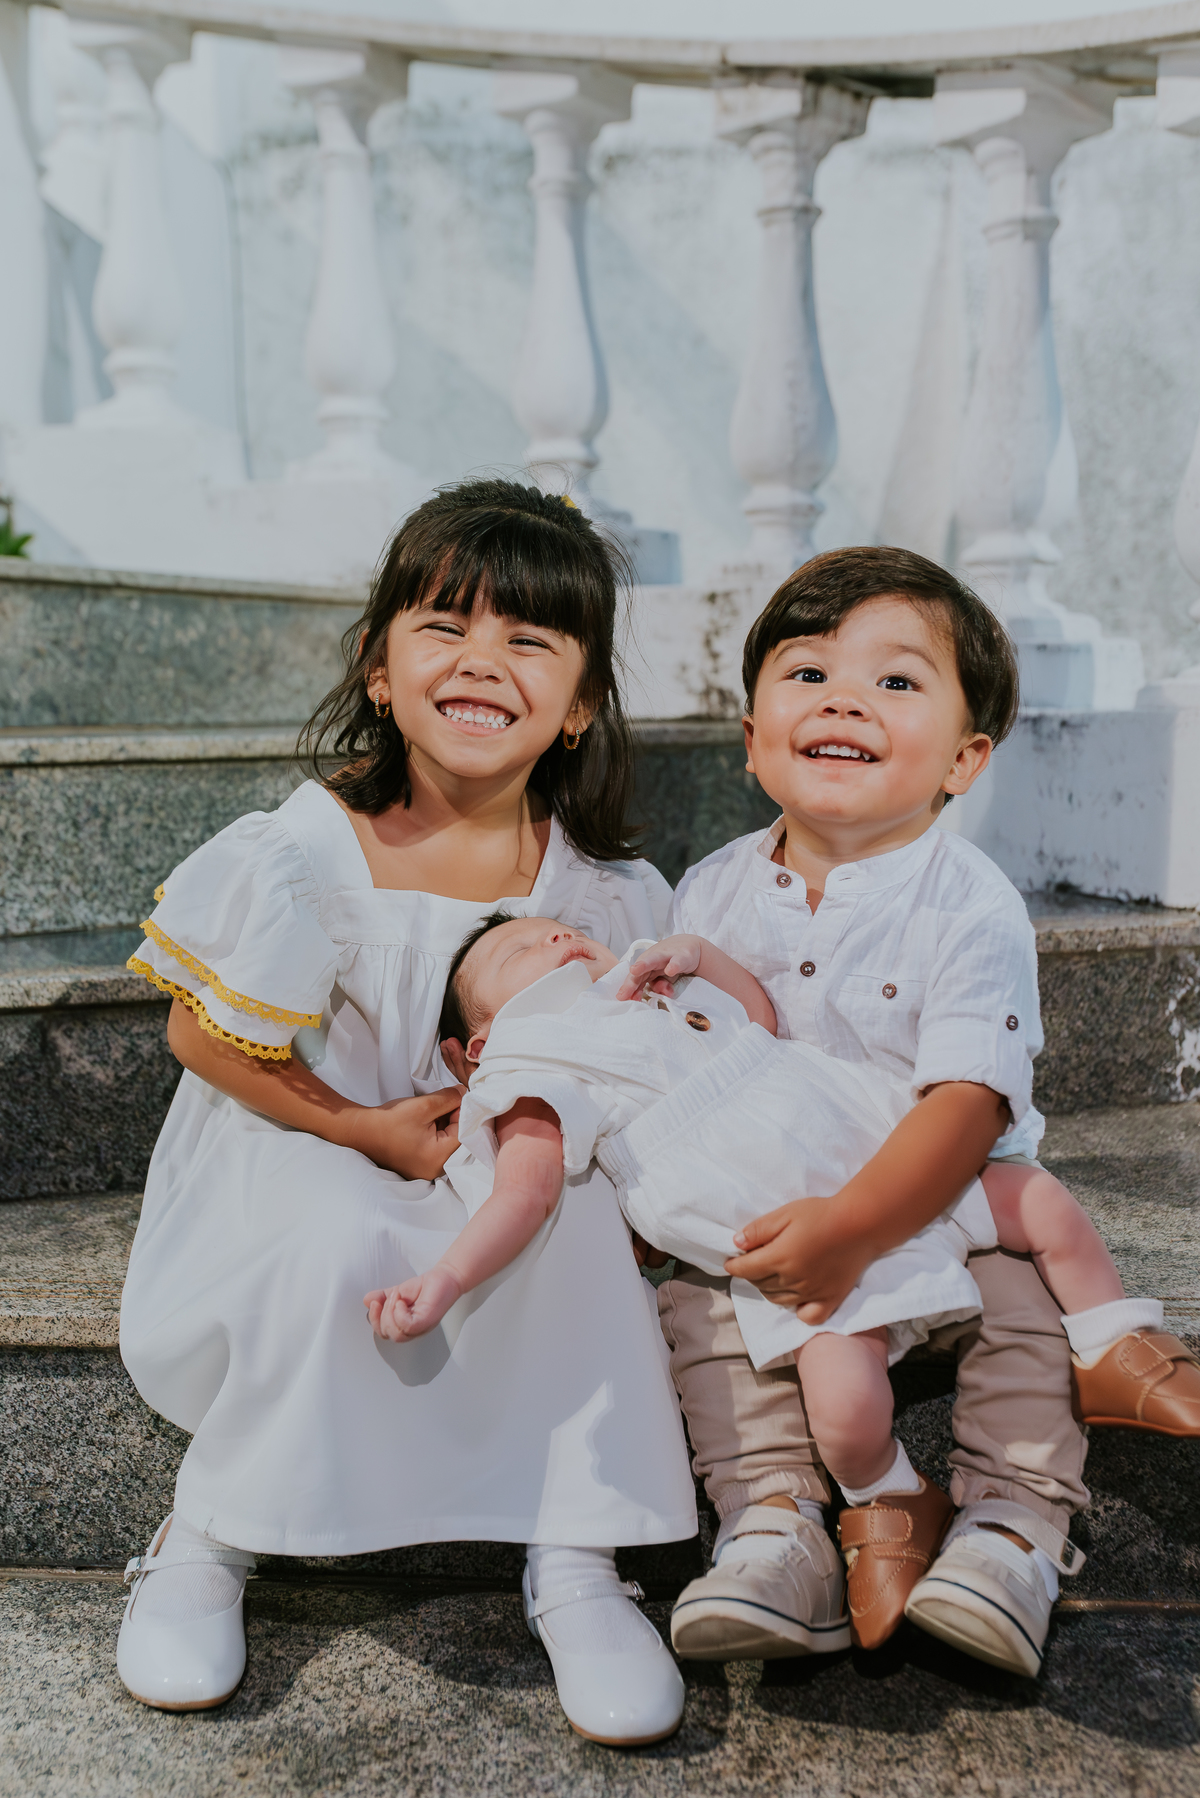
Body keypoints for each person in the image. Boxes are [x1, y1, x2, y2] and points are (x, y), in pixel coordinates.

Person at [116, 480, 695, 1747]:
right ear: (380, 669)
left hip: (502, 1156)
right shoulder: (307, 847)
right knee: (332, 1235)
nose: (482, 661)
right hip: (308, 1137)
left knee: (574, 1222)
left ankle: (581, 1551)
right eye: (444, 626)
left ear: (582, 700)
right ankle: (209, 1530)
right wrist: (361, 1129)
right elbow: (194, 1029)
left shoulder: (604, 894)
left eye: (530, 640)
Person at [655, 546, 1200, 1679]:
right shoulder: (707, 890)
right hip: (779, 1206)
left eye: (896, 681)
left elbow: (962, 1107)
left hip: (945, 1201)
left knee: (1017, 1303)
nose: (845, 696)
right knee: (704, 1305)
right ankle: (773, 1524)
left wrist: (854, 1228)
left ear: (964, 760)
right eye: (806, 673)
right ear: (754, 738)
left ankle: (1012, 1523)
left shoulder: (972, 906)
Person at [370, 911, 1196, 1649]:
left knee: (1040, 1199)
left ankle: (1114, 1345)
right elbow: (527, 1188)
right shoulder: (533, 1061)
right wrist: (444, 1280)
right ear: (477, 1047)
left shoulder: (657, 987)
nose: (555, 935)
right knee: (843, 1408)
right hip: (790, 1231)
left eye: (560, 925)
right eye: (520, 949)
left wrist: (702, 954)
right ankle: (894, 1496)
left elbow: (759, 1017)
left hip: (874, 1147)